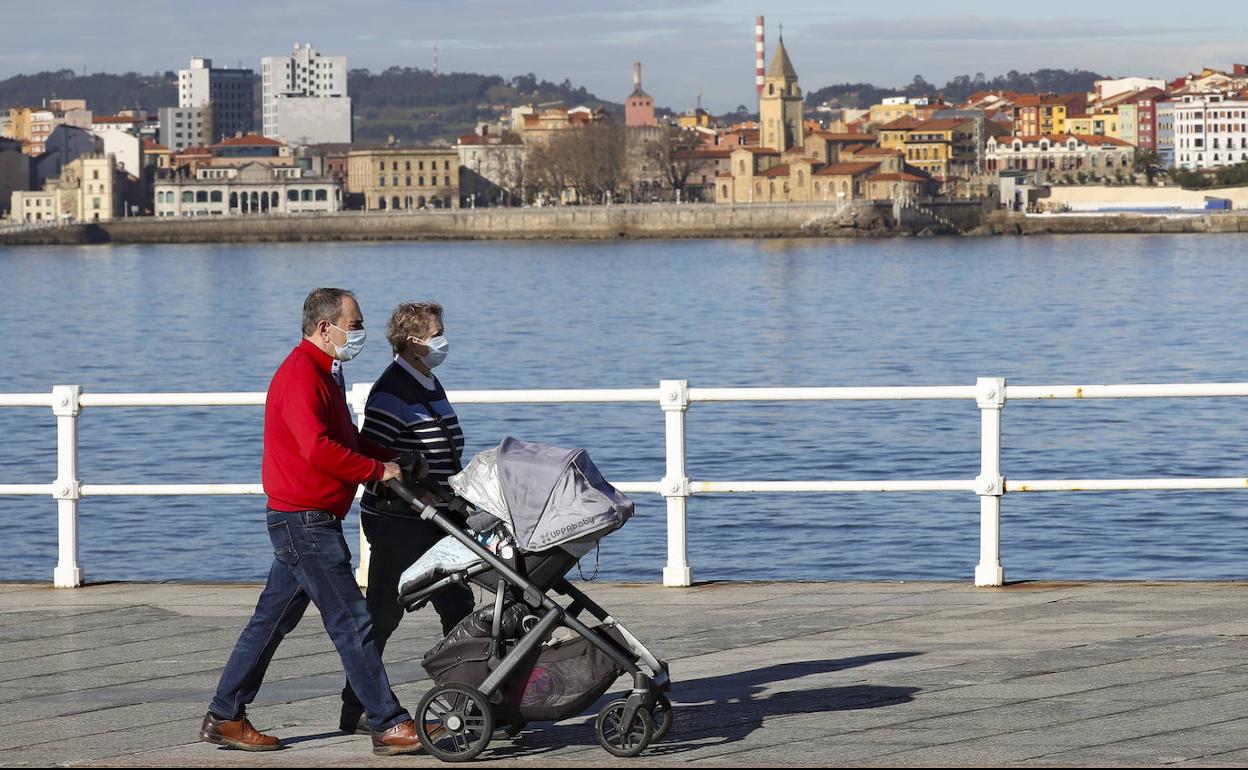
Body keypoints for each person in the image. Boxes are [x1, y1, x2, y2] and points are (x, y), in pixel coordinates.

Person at [199, 288, 427, 756]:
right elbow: (317, 449)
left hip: (303, 517)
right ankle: (388, 722)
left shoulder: (327, 372)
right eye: (355, 323)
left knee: (271, 621)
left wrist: (393, 459)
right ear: (326, 328)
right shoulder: (302, 375)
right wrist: (376, 472)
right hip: (304, 520)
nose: (359, 332)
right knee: (352, 621)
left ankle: (225, 714)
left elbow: (347, 439)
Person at [339, 301, 475, 734]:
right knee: (384, 613)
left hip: (435, 517)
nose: (442, 339)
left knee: (458, 604)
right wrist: (416, 473)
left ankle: (469, 693)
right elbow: (374, 455)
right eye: (436, 332)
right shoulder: (391, 391)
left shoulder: (428, 381)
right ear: (412, 341)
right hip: (399, 520)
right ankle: (358, 704)